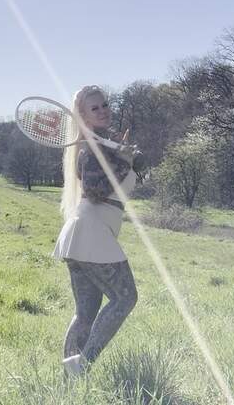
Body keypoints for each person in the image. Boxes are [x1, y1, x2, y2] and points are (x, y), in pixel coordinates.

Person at [52, 85, 145, 376]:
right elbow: (94, 190)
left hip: (80, 236)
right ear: (83, 115)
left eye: (105, 104)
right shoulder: (90, 149)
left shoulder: (103, 145)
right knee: (125, 297)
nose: (103, 110)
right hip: (91, 233)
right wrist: (126, 164)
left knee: (85, 314)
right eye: (95, 108)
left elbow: (122, 181)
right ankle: (83, 366)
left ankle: (68, 378)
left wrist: (128, 160)